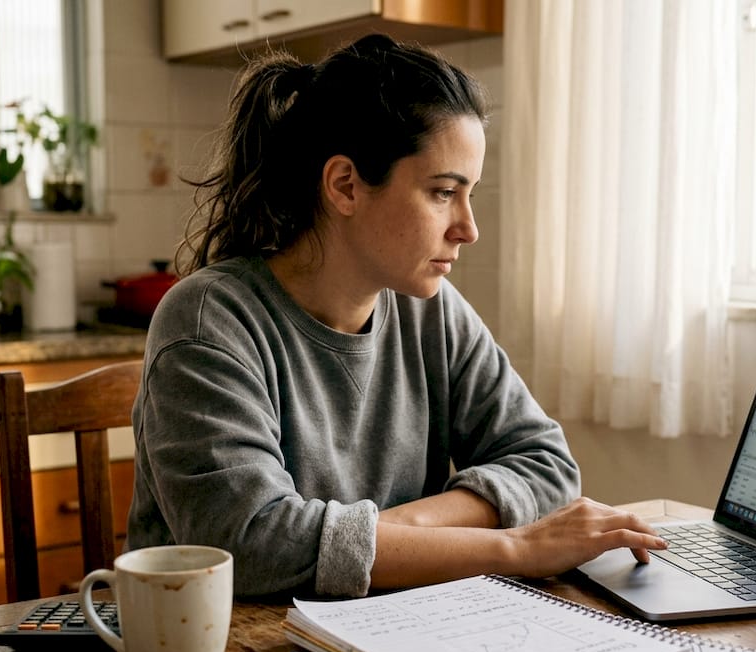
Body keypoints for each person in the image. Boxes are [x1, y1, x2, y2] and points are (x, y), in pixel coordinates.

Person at [126, 34, 665, 597]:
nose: (468, 228)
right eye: (442, 192)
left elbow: (548, 467)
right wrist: (517, 548)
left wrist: (388, 532)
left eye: (469, 194)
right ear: (345, 186)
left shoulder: (430, 310)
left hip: (390, 627)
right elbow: (253, 543)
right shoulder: (208, 321)